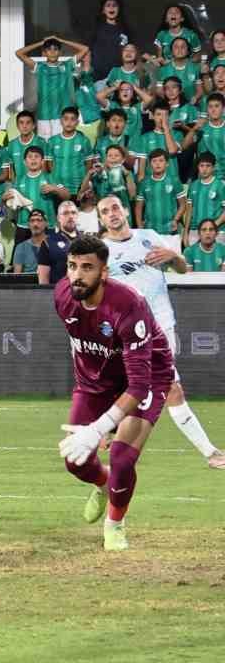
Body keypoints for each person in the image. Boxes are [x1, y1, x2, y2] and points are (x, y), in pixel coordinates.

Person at [55, 237, 179, 551]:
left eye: (87, 267)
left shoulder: (128, 305)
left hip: (147, 376)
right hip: (95, 380)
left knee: (122, 459)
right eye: (72, 266)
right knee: (75, 462)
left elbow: (138, 385)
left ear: (105, 272)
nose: (77, 275)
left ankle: (115, 524)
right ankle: (102, 482)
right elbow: (82, 344)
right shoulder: (62, 296)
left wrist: (98, 429)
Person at [98, 195, 225, 467]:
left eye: (115, 207)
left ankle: (109, 437)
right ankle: (211, 454)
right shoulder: (101, 251)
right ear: (101, 219)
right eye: (105, 211)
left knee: (153, 389)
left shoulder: (149, 236)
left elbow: (181, 268)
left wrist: (173, 255)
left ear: (125, 211)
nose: (112, 213)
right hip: (130, 331)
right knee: (169, 389)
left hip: (162, 325)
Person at [17, 36, 89, 136]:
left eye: (55, 49)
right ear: (44, 53)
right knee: (45, 149)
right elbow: (19, 53)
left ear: (60, 52)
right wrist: (41, 43)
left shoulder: (67, 65)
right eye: (48, 49)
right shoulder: (40, 67)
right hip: (44, 115)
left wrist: (62, 40)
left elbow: (85, 49)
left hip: (62, 116)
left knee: (60, 147)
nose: (52, 52)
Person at [135, 148, 186, 235]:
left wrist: (176, 219)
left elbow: (183, 204)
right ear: (150, 164)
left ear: (167, 163)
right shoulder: (144, 182)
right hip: (149, 229)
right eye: (154, 161)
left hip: (170, 229)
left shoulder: (174, 181)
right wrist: (140, 227)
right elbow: (138, 208)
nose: (157, 164)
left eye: (161, 161)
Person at [36, 200, 82, 285]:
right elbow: (43, 280)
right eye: (65, 213)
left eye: (73, 212)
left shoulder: (87, 241)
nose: (71, 216)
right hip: (59, 294)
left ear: (78, 215)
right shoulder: (48, 243)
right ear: (58, 218)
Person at [10, 209, 50, 275]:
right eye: (32, 221)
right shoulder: (21, 247)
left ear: (46, 223)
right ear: (28, 224)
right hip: (29, 283)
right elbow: (17, 276)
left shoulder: (54, 244)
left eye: (39, 220)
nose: (35, 224)